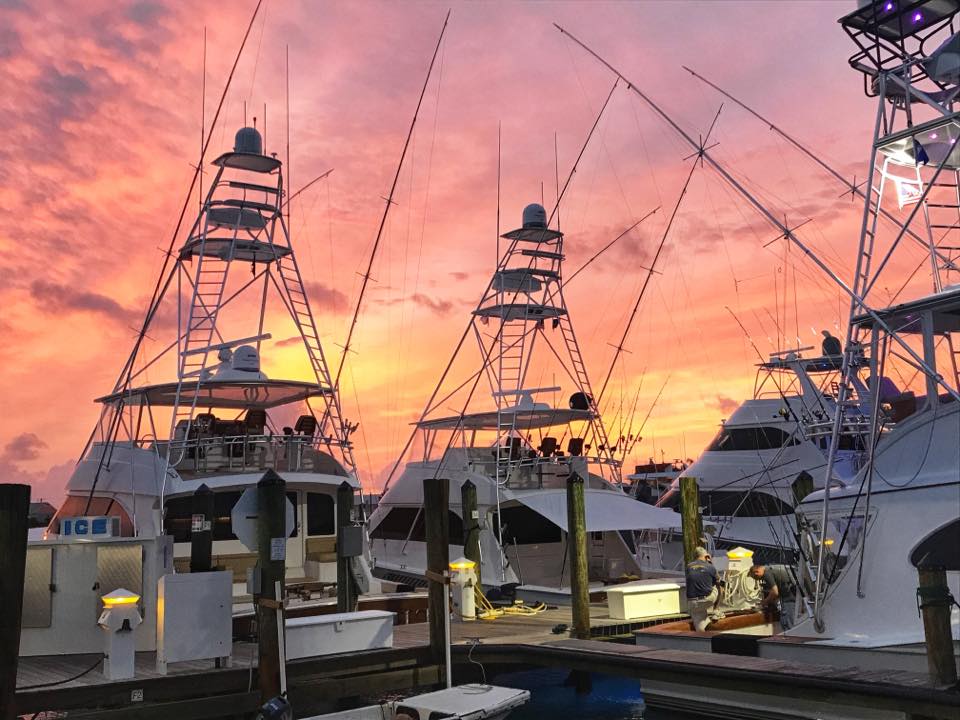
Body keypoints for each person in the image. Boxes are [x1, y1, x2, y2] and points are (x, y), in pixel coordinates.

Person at [749, 563, 798, 630]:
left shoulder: (766, 574)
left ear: (757, 572)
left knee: (788, 618)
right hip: (792, 592)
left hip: (789, 597)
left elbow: (775, 592)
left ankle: (791, 634)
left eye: (755, 577)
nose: (757, 579)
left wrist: (765, 602)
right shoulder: (770, 568)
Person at [685, 547, 721, 631]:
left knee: (700, 626)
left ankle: (702, 634)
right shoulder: (710, 566)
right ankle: (716, 611)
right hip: (707, 600)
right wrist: (711, 563)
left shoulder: (688, 566)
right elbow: (718, 579)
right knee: (720, 585)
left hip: (692, 603)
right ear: (706, 556)